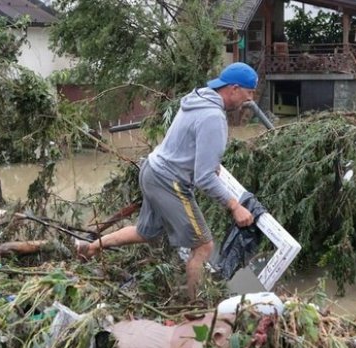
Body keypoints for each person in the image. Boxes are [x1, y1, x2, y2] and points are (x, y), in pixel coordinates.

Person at [77, 62, 258, 299]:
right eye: (249, 92)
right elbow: (204, 178)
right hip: (169, 181)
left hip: (152, 169)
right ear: (234, 89)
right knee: (204, 246)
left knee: (146, 232)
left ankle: (88, 248)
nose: (251, 99)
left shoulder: (197, 99)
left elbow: (192, 149)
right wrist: (235, 206)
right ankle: (195, 307)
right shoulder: (213, 117)